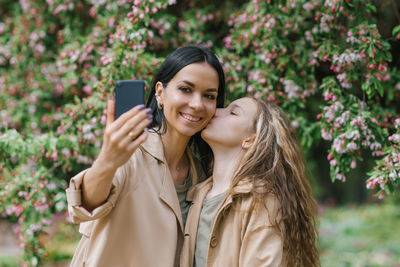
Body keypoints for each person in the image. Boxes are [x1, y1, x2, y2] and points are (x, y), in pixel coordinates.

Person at [66, 45, 225, 267]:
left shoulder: (203, 176)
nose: (197, 104)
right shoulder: (131, 152)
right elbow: (87, 204)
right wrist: (107, 161)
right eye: (186, 89)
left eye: (209, 95)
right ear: (160, 93)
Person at [180, 97, 319, 267]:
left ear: (250, 139)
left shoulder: (262, 198)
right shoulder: (197, 194)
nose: (215, 111)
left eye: (233, 112)